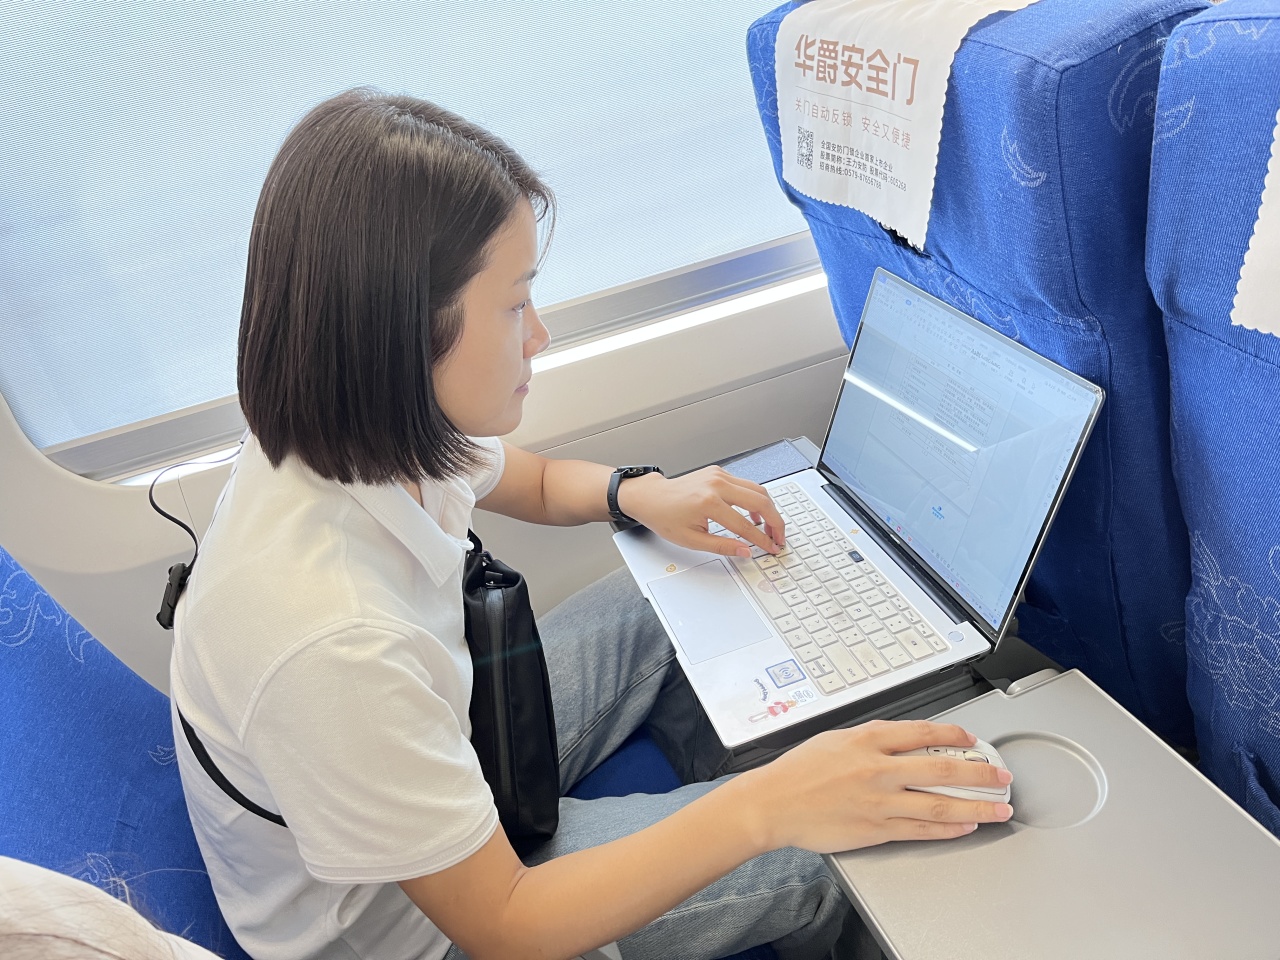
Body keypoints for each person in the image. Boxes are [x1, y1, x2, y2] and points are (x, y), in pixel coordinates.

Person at [170, 87, 1014, 960]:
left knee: (683, 582)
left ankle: (738, 772)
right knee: (840, 857)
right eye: (514, 305)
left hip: (438, 748)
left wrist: (640, 494)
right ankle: (781, 820)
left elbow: (532, 483)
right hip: (432, 927)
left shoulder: (363, 423)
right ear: (404, 333)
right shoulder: (330, 639)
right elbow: (507, 923)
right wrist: (770, 809)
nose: (538, 335)